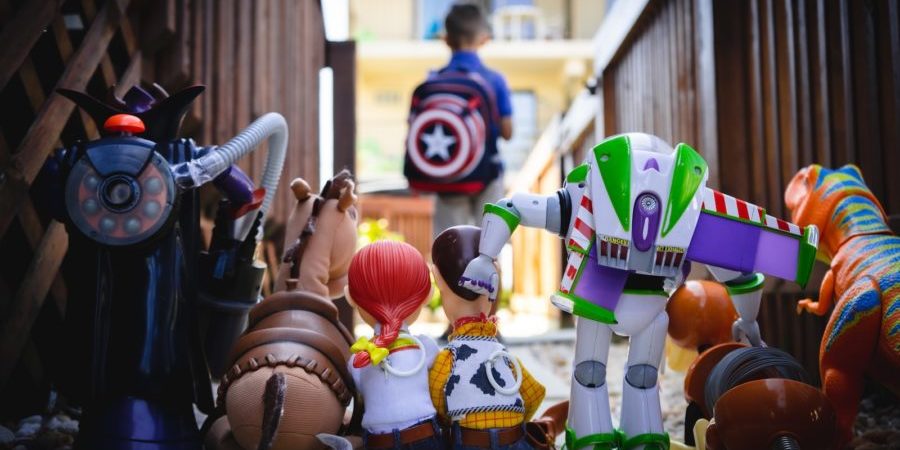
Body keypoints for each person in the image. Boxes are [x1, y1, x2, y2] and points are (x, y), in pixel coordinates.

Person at [429, 226, 545, 449]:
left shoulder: (447, 360)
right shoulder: (503, 357)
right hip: (513, 441)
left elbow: (436, 405)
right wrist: (515, 420)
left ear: (438, 282)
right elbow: (535, 394)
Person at [345, 241, 443, 449]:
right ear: (427, 295)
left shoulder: (358, 360)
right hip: (424, 436)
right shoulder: (426, 347)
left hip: (378, 441)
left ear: (351, 298)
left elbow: (363, 390)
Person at [431, 2, 513, 238]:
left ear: (446, 39)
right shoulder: (495, 80)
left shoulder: (434, 80)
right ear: (484, 39)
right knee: (489, 245)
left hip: (448, 175)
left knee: (450, 244)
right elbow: (507, 133)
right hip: (487, 174)